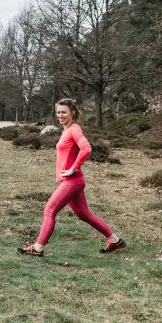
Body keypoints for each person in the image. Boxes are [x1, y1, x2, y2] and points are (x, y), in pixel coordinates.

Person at [17, 98, 127, 257]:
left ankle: (38, 248)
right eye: (58, 112)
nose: (60, 115)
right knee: (84, 215)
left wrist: (73, 168)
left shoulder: (74, 129)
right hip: (74, 181)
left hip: (73, 181)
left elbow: (86, 148)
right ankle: (116, 241)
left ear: (73, 113)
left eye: (64, 112)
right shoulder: (66, 129)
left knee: (49, 210)